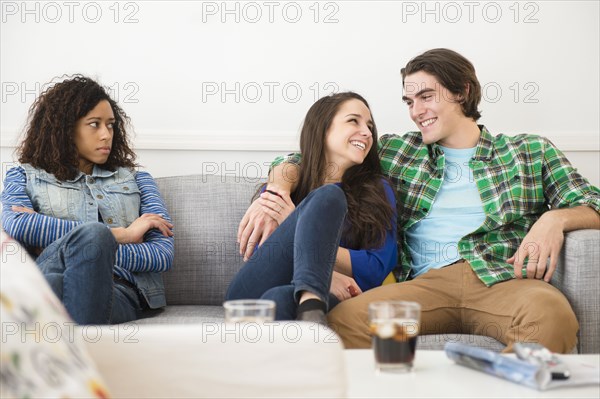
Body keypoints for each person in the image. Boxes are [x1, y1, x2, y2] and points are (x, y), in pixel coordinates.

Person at [237, 49, 600, 353]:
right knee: (341, 322)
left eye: (426, 96)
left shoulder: (529, 151)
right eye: (409, 101)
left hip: (501, 279)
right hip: (423, 286)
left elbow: (592, 203)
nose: (415, 110)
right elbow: (302, 157)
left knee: (552, 314)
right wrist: (278, 188)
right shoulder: (399, 151)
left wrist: (555, 220)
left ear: (462, 91)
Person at [1, 75, 175, 325]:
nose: (106, 135)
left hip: (120, 292)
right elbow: (19, 226)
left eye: (111, 125)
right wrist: (122, 235)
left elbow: (161, 255)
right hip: (51, 273)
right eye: (94, 124)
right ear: (65, 128)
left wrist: (80, 249)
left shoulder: (139, 180)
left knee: (58, 282)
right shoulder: (23, 176)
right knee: (90, 239)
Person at [227, 92, 397, 323]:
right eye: (353, 121)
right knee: (328, 195)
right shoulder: (282, 188)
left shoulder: (378, 189)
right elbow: (266, 254)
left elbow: (376, 267)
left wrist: (305, 235)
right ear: (323, 128)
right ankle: (312, 298)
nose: (367, 133)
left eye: (369, 126)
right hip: (250, 293)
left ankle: (311, 307)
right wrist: (325, 274)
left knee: (278, 299)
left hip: (337, 297)